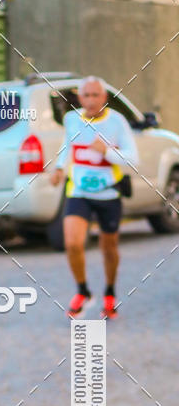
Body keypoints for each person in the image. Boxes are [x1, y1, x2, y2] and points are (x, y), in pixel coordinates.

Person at [50, 76, 138, 319]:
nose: (90, 100)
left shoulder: (117, 122)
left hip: (109, 194)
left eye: (95, 95)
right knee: (73, 243)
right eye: (86, 95)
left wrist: (107, 152)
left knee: (109, 248)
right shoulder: (71, 119)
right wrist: (58, 167)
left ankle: (110, 292)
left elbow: (133, 158)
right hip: (79, 192)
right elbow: (67, 145)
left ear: (104, 97)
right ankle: (83, 291)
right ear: (79, 98)